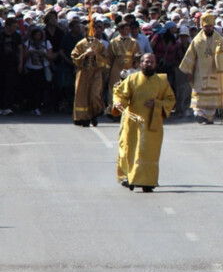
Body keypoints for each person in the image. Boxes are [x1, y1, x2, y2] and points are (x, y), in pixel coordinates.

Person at [113, 53, 176, 193]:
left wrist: (157, 103)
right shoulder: (132, 79)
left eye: (152, 62)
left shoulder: (162, 81)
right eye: (147, 62)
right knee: (130, 150)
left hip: (152, 124)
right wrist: (118, 103)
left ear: (155, 64)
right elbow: (121, 95)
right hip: (133, 122)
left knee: (149, 153)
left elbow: (171, 100)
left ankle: (148, 181)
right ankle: (130, 178)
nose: (149, 64)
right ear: (141, 63)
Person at [178, 12, 223, 124]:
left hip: (214, 72)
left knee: (212, 96)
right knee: (199, 95)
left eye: (210, 26)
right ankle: (199, 114)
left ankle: (209, 118)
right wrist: (189, 72)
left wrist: (221, 54)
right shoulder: (197, 41)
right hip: (200, 73)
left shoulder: (219, 39)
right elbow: (190, 56)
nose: (208, 28)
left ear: (213, 26)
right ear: (202, 26)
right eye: (206, 26)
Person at [71, 22, 108, 127]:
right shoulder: (80, 44)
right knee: (82, 95)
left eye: (94, 30)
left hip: (95, 73)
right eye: (89, 30)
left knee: (95, 94)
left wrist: (96, 55)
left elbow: (105, 59)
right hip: (83, 73)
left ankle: (94, 113)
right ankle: (82, 117)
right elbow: (74, 57)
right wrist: (85, 55)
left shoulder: (99, 44)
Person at [105, 21, 140, 116]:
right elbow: (109, 57)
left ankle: (127, 110)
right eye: (126, 29)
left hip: (129, 66)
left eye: (129, 29)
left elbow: (138, 54)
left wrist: (136, 62)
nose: (128, 31)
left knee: (129, 88)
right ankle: (114, 110)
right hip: (116, 67)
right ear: (120, 29)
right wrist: (108, 71)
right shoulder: (113, 42)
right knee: (115, 88)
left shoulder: (133, 42)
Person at [0, 17, 23, 115]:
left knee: (9, 85)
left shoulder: (16, 36)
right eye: (13, 26)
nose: (15, 28)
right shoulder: (1, 35)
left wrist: (21, 63)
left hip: (12, 64)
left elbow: (20, 49)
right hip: (1, 63)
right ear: (7, 26)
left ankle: (7, 106)